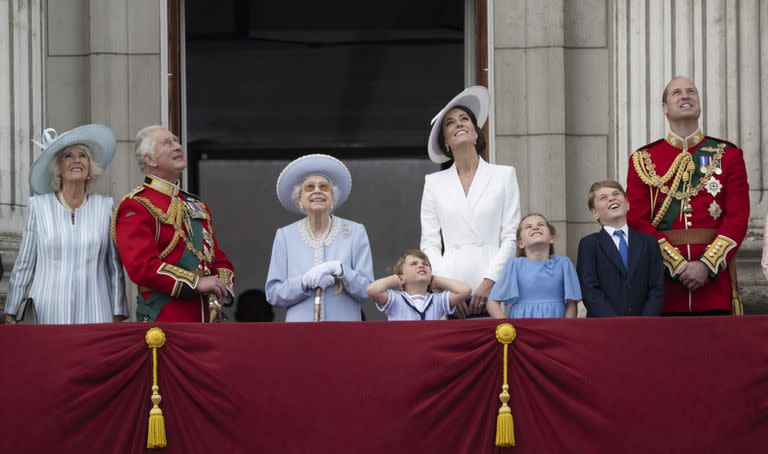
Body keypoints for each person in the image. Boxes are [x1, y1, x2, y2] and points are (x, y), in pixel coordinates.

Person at [625, 76, 749, 315]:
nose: (685, 96)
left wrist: (706, 264)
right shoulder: (643, 159)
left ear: (699, 104)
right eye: (677, 93)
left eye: (691, 92)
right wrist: (678, 265)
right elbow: (637, 221)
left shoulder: (728, 155)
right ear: (664, 108)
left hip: (714, 286)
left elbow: (737, 218)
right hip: (664, 288)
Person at [4, 125, 127, 324]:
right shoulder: (39, 206)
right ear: (58, 168)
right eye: (68, 156)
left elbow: (114, 266)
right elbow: (24, 264)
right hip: (47, 312)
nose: (76, 160)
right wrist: (10, 312)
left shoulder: (105, 207)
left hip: (96, 312)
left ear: (89, 168)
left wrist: (118, 312)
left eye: (83, 155)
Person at [113, 125, 234, 322]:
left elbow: (218, 258)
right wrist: (196, 283)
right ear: (149, 159)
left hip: (208, 319)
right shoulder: (136, 205)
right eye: (167, 143)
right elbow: (142, 267)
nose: (178, 146)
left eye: (176, 141)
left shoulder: (195, 204)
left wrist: (222, 286)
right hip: (165, 320)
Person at [420, 86, 521, 318]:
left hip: (495, 288)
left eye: (465, 119)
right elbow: (430, 244)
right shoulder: (434, 182)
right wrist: (450, 289)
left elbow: (509, 237)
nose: (459, 124)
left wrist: (489, 281)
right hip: (452, 289)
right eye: (450, 123)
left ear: (476, 133)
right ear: (445, 141)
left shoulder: (504, 175)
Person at [266, 154, 374, 321]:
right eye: (309, 187)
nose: (317, 190)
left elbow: (368, 290)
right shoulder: (285, 236)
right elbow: (273, 294)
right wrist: (303, 282)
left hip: (344, 330)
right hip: (300, 332)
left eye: (324, 187)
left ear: (332, 198)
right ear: (299, 199)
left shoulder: (355, 232)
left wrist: (341, 271)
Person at [576, 180, 665, 317]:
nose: (611, 198)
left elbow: (656, 287)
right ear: (594, 213)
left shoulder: (648, 242)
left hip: (644, 326)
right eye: (603, 198)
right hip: (605, 328)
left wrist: (646, 321)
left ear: (627, 204)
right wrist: (616, 324)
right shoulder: (589, 245)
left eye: (616, 194)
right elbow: (589, 289)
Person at [486, 213, 580, 319]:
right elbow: (492, 302)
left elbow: (572, 303)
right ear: (520, 243)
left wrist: (565, 329)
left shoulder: (564, 264)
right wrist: (507, 327)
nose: (535, 228)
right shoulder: (514, 265)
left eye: (541, 224)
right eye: (528, 227)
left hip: (556, 326)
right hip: (522, 327)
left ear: (551, 238)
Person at [366, 249, 470, 321]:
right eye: (414, 264)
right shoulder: (395, 299)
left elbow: (465, 290)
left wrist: (435, 279)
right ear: (401, 275)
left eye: (425, 264)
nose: (421, 265)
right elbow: (372, 290)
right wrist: (395, 279)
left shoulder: (437, 300)